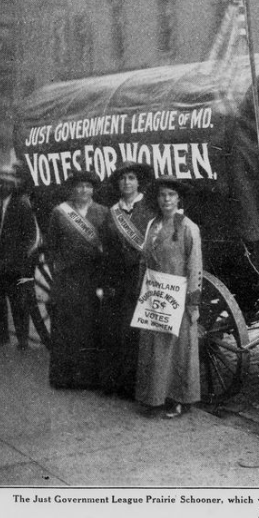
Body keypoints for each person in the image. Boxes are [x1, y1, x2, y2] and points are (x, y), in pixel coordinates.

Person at [135, 176, 203, 419]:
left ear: (178, 199)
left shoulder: (187, 227)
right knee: (155, 349)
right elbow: (144, 259)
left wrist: (192, 302)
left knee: (178, 350)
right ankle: (154, 398)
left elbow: (194, 265)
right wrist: (143, 293)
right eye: (162, 195)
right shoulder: (153, 225)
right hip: (155, 294)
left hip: (178, 296)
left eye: (171, 195)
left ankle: (179, 400)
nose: (166, 199)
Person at [44, 169, 111, 389]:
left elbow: (108, 247)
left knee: (89, 327)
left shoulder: (102, 212)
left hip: (92, 277)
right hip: (67, 278)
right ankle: (64, 378)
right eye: (80, 186)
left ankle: (87, 378)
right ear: (72, 189)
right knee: (65, 327)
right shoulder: (59, 212)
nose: (84, 190)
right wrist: (59, 269)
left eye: (88, 186)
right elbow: (51, 246)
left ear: (93, 190)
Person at [99, 163, 156, 397]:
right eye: (122, 179)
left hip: (143, 277)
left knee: (140, 332)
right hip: (118, 279)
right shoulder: (111, 213)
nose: (127, 183)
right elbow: (105, 249)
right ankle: (119, 384)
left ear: (138, 182)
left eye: (131, 178)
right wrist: (107, 282)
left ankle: (140, 385)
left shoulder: (150, 209)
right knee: (119, 330)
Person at [0, 164, 40, 349]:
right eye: (0, 183)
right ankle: (1, 337)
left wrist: (21, 260)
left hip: (15, 262)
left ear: (14, 185)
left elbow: (31, 237)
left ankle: (22, 340)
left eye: (8, 184)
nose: (3, 187)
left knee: (18, 302)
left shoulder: (21, 204)